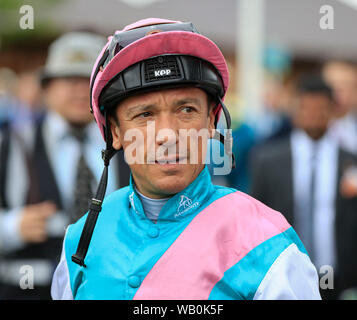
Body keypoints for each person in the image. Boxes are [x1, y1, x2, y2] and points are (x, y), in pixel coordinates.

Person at [51, 18, 320, 300]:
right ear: (115, 133)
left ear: (210, 123)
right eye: (145, 114)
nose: (167, 134)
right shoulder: (80, 239)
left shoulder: (267, 242)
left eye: (186, 110)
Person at [0, 32, 130, 299]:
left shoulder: (127, 146)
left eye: (90, 80)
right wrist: (12, 227)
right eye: (70, 80)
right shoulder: (10, 144)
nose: (81, 90)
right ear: (47, 88)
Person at [251, 74, 357, 300]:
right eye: (306, 107)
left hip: (335, 275)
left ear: (333, 111)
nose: (313, 115)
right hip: (283, 272)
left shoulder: (350, 162)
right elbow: (255, 219)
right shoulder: (267, 160)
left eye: (321, 108)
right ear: (295, 110)